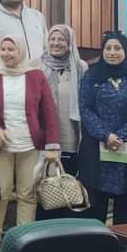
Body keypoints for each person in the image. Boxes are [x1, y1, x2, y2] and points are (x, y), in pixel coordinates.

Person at [0, 35, 61, 252]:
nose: (6, 54)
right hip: (2, 146)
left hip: (30, 145)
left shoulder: (36, 76)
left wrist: (52, 145)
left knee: (28, 194)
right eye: (3, 49)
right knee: (1, 193)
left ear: (21, 51)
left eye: (12, 49)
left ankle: (23, 240)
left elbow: (48, 112)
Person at [77, 31, 127, 225]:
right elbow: (85, 108)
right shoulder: (91, 75)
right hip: (97, 147)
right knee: (94, 205)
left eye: (117, 48)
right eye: (108, 48)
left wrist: (122, 136)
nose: (112, 52)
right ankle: (95, 241)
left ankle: (123, 242)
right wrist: (105, 135)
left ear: (125, 51)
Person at [38, 24, 88, 177]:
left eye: (61, 39)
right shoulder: (37, 66)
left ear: (69, 42)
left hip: (70, 131)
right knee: (43, 178)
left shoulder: (80, 67)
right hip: (44, 130)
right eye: (52, 39)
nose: (56, 43)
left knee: (68, 177)